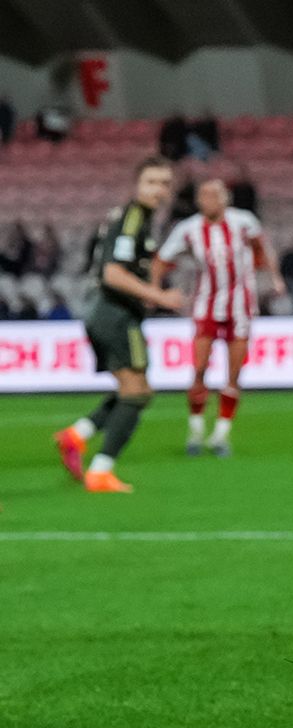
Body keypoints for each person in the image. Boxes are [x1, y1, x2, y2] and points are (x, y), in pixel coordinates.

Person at [53, 157, 186, 492]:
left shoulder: (139, 219)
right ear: (137, 184)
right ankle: (100, 471)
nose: (159, 190)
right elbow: (113, 273)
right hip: (114, 313)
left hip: (109, 312)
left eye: (165, 183)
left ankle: (77, 435)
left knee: (137, 389)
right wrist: (158, 295)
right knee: (137, 391)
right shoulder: (133, 217)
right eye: (152, 182)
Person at [152, 178, 284, 457]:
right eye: (203, 195)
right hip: (206, 306)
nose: (207, 200)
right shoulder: (188, 229)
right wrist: (153, 290)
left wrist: (274, 277)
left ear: (225, 199)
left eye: (213, 195)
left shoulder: (244, 222)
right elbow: (162, 260)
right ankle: (196, 430)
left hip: (240, 307)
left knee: (233, 375)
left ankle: (222, 434)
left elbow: (262, 249)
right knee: (199, 368)